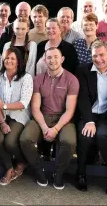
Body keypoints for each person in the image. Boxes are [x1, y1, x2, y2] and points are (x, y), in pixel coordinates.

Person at [21, 47, 79, 190]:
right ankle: (38, 167)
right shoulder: (38, 79)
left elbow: (70, 110)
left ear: (62, 59)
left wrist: (56, 128)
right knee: (25, 139)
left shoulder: (72, 79)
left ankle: (58, 173)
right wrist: (45, 128)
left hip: (63, 119)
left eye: (55, 57)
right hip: (42, 117)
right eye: (49, 58)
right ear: (45, 60)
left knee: (69, 141)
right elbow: (35, 108)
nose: (52, 60)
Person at [74, 41, 107, 194]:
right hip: (88, 113)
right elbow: (82, 98)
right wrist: (89, 120)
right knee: (85, 135)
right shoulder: (82, 70)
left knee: (103, 136)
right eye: (94, 55)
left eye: (102, 54)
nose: (98, 59)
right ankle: (81, 173)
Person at [0, 48, 33, 186]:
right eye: (7, 58)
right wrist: (2, 123)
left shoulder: (26, 78)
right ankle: (9, 169)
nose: (9, 61)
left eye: (12, 59)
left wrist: (4, 106)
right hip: (1, 116)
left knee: (9, 142)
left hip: (19, 116)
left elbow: (23, 103)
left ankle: (22, 161)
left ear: (18, 62)